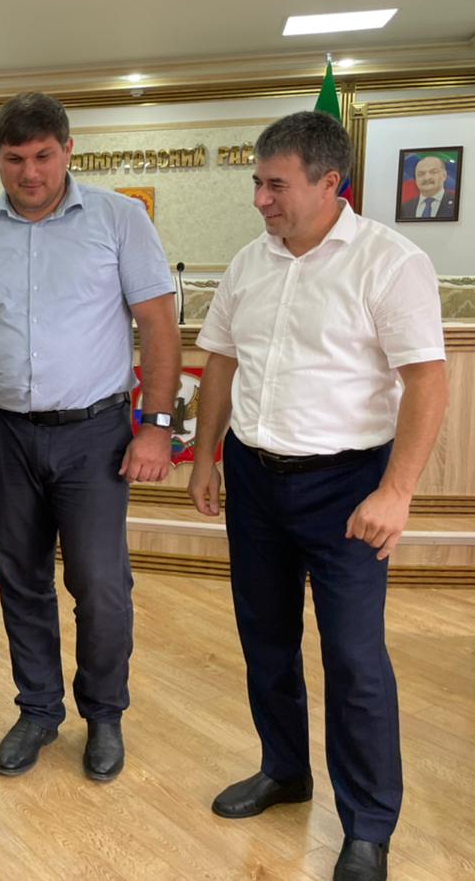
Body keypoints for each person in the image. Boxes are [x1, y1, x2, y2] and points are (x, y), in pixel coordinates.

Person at [188, 111, 448, 881]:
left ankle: (368, 826)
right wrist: (205, 458)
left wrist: (397, 492)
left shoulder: (389, 263)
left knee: (354, 659)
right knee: (265, 639)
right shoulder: (250, 263)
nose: (260, 199)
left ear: (331, 182)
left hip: (349, 487)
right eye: (257, 183)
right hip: (255, 478)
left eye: (276, 184)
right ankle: (284, 770)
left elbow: (427, 383)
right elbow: (221, 362)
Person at [0, 93, 181, 782]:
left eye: (44, 155)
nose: (31, 172)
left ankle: (104, 713)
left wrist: (156, 428)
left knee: (100, 584)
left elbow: (158, 326)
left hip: (94, 435)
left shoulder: (119, 219)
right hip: (3, 432)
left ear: (69, 150)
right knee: (20, 578)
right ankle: (39, 710)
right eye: (15, 158)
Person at [399, 154, 456, 220]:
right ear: (416, 179)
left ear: (444, 175)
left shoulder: (456, 204)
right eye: (421, 174)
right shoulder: (405, 208)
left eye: (433, 172)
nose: (427, 178)